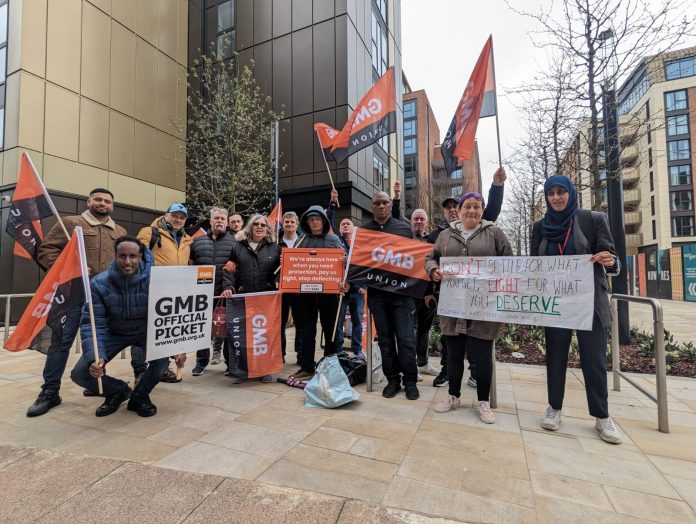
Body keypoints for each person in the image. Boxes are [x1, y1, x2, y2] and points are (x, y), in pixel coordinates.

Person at [531, 175, 623, 444]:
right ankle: (554, 408)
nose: (557, 198)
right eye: (551, 193)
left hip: (589, 304)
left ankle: (602, 416)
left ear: (571, 193)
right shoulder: (539, 227)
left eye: (561, 192)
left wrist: (609, 260)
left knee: (593, 361)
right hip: (556, 305)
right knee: (555, 357)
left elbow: (613, 261)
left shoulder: (592, 220)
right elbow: (535, 264)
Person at [26, 188, 128, 417]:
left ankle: (94, 382)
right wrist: (69, 269)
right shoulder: (71, 223)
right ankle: (50, 391)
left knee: (99, 341)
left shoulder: (119, 230)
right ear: (89, 201)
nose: (103, 204)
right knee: (61, 343)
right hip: (73, 297)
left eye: (108, 201)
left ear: (113, 205)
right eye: (98, 199)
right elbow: (46, 250)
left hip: (104, 298)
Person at [427, 192, 513, 424]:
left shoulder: (494, 233)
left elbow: (509, 261)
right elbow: (430, 258)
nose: (472, 211)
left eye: (477, 207)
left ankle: (483, 401)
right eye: (468, 206)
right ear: (460, 210)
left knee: (483, 356)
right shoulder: (445, 235)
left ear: (482, 210)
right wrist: (433, 270)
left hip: (484, 306)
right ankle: (453, 396)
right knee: (454, 354)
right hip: (453, 304)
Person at [70, 236, 176, 417]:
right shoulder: (99, 283)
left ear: (141, 256)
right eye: (123, 256)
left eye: (133, 256)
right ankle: (117, 391)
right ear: (115, 255)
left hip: (146, 332)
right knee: (81, 373)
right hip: (115, 332)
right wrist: (96, 357)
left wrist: (178, 347)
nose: (128, 261)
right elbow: (93, 323)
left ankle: (139, 397)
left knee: (161, 365)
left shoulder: (158, 280)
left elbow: (171, 316)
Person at [362, 191, 420, 400]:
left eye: (385, 202)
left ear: (390, 205)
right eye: (377, 203)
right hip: (377, 295)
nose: (381, 206)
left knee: (406, 340)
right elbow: (360, 262)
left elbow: (414, 260)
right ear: (372, 207)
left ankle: (410, 381)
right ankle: (392, 381)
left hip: (402, 295)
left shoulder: (404, 229)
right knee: (385, 341)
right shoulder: (364, 231)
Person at [136, 203, 193, 383]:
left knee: (164, 332)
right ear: (166, 215)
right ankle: (140, 372)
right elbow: (136, 258)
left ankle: (161, 369)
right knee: (142, 334)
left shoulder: (187, 240)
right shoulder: (149, 233)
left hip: (173, 295)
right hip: (150, 291)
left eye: (182, 217)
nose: (178, 220)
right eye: (175, 215)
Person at [222, 214, 280, 383]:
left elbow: (281, 269)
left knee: (263, 335)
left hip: (266, 300)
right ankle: (241, 371)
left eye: (263, 224)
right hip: (243, 298)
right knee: (242, 335)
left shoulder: (274, 247)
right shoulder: (238, 246)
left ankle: (265, 370)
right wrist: (228, 286)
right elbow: (229, 269)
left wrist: (277, 282)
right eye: (256, 224)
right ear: (250, 227)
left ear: (267, 228)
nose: (260, 227)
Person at [289, 205, 343, 380]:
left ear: (324, 221)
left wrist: (344, 261)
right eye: (311, 219)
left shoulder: (334, 239)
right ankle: (307, 366)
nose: (314, 222)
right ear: (307, 222)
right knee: (306, 330)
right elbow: (293, 264)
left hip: (329, 294)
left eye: (317, 219)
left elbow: (345, 264)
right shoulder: (300, 240)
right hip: (306, 294)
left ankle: (329, 365)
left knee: (331, 331)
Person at [189, 207, 236, 376]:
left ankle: (230, 363)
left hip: (225, 294)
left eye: (223, 219)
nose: (220, 221)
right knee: (202, 329)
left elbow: (233, 268)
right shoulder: (197, 242)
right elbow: (190, 267)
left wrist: (229, 287)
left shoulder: (234, 242)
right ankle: (201, 362)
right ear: (210, 221)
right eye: (216, 218)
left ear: (227, 222)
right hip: (202, 293)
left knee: (227, 329)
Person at [325, 189, 365, 358]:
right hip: (340, 289)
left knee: (357, 321)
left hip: (357, 289)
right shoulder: (336, 242)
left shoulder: (360, 244)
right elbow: (328, 222)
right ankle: (339, 350)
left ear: (353, 228)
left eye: (348, 223)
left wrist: (364, 286)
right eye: (342, 225)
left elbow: (366, 265)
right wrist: (332, 203)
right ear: (339, 230)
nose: (345, 225)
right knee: (338, 321)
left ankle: (357, 349)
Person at [410, 208, 440, 379]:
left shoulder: (432, 240)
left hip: (428, 293)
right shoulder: (406, 239)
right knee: (407, 329)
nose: (419, 222)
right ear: (411, 221)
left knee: (424, 328)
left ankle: (423, 363)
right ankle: (410, 364)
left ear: (427, 222)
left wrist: (431, 292)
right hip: (409, 292)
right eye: (416, 219)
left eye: (422, 219)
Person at [278, 211, 304, 363]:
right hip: (281, 290)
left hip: (299, 290)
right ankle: (280, 355)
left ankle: (301, 355)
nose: (289, 224)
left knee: (300, 322)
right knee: (279, 323)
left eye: (292, 222)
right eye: (286, 222)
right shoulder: (275, 243)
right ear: (282, 223)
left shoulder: (303, 242)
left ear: (297, 224)